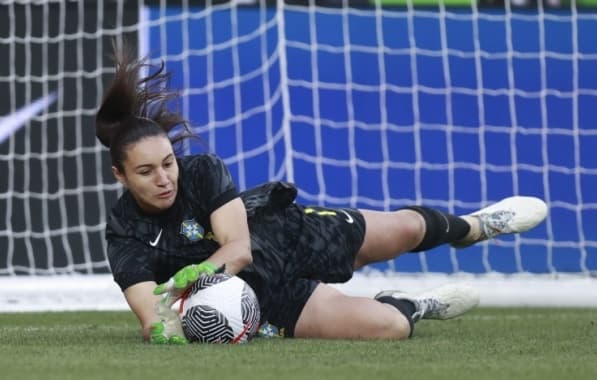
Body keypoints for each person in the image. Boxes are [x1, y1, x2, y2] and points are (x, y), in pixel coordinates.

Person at [95, 46, 548, 344]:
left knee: (406, 229)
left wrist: (193, 277)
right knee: (388, 328)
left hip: (284, 236)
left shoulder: (201, 172)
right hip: (264, 301)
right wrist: (178, 321)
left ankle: (473, 227)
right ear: (120, 175)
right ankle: (416, 303)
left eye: (168, 163)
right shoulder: (123, 230)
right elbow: (149, 313)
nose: (164, 178)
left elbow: (239, 248)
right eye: (146, 171)